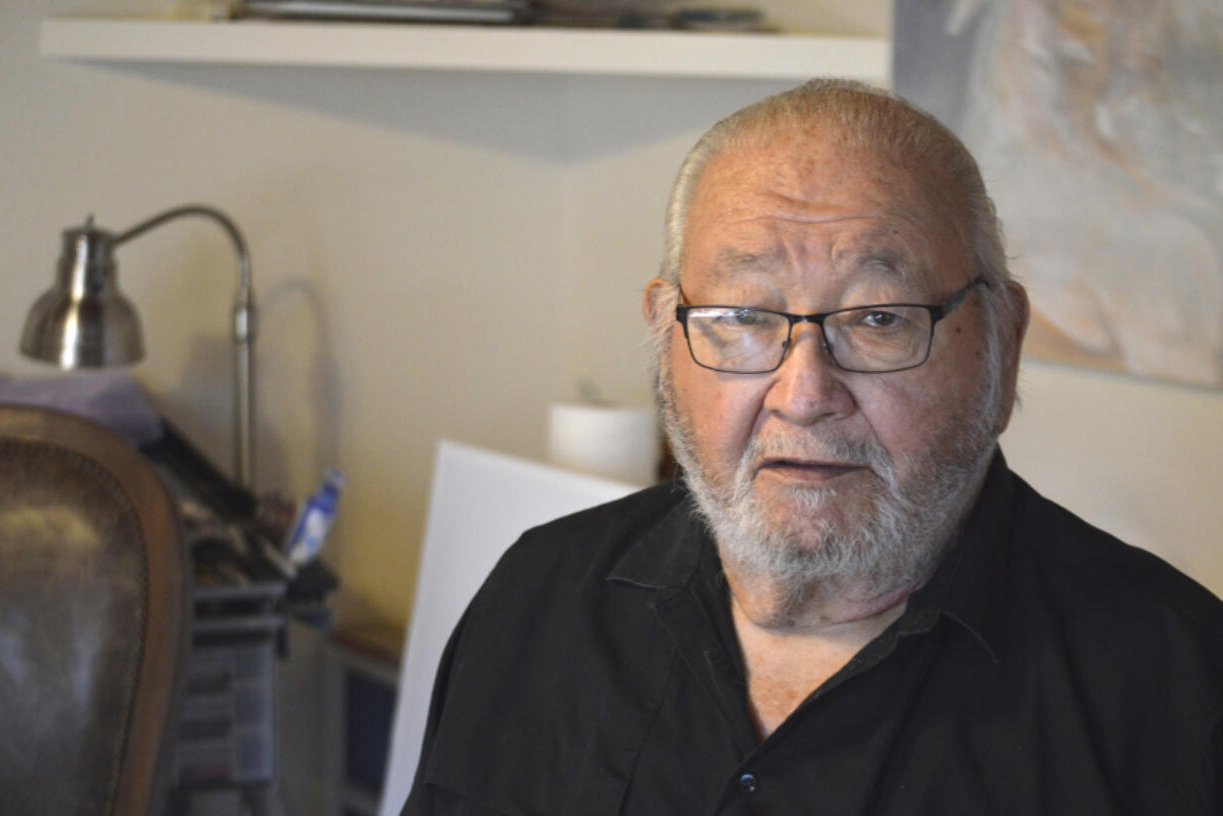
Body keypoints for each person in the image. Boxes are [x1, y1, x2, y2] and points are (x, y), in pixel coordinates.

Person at [401, 79, 1223, 815]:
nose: (804, 395)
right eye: (743, 320)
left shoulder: (1180, 690)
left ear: (1001, 343)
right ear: (664, 338)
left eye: (878, 319)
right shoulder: (539, 598)